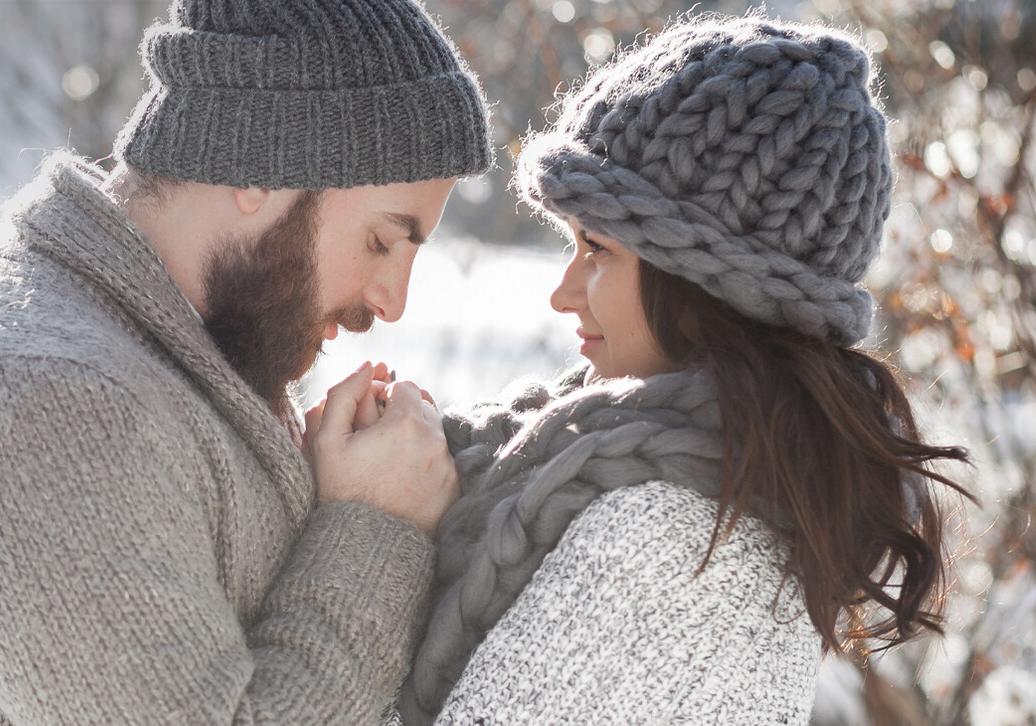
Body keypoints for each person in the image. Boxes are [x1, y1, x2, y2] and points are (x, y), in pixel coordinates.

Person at [0, 0, 492, 723]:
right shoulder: (31, 405)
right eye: (380, 241)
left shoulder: (186, 352)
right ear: (260, 167)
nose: (390, 302)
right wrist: (373, 527)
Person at [391, 16, 973, 725]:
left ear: (703, 281)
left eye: (597, 249)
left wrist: (374, 530)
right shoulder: (714, 474)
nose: (563, 291)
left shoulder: (671, 539)